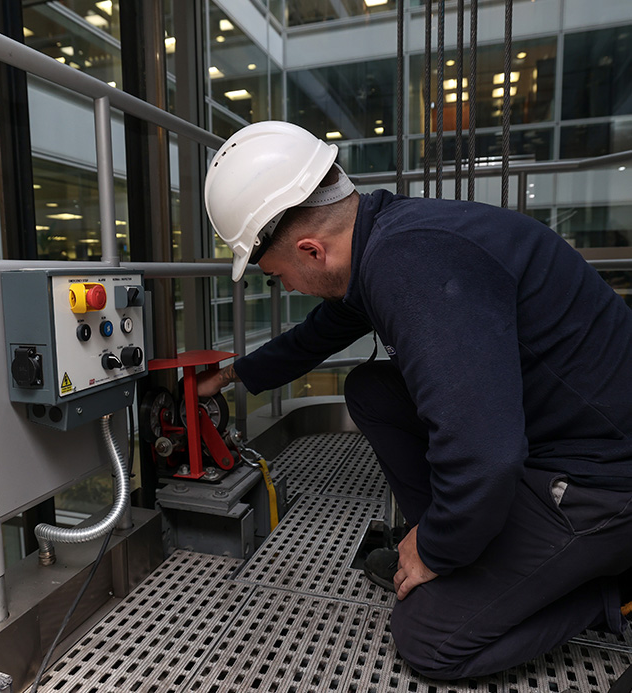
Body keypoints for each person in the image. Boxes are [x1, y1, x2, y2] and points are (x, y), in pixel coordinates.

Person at [198, 120, 632, 680]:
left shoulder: (411, 265)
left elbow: (486, 453)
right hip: (557, 432)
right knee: (372, 390)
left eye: (280, 277)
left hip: (603, 482)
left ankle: (608, 591)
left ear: (311, 249)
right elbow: (323, 331)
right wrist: (236, 373)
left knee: (429, 639)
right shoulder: (388, 236)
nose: (290, 290)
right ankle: (470, 550)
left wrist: (435, 550)